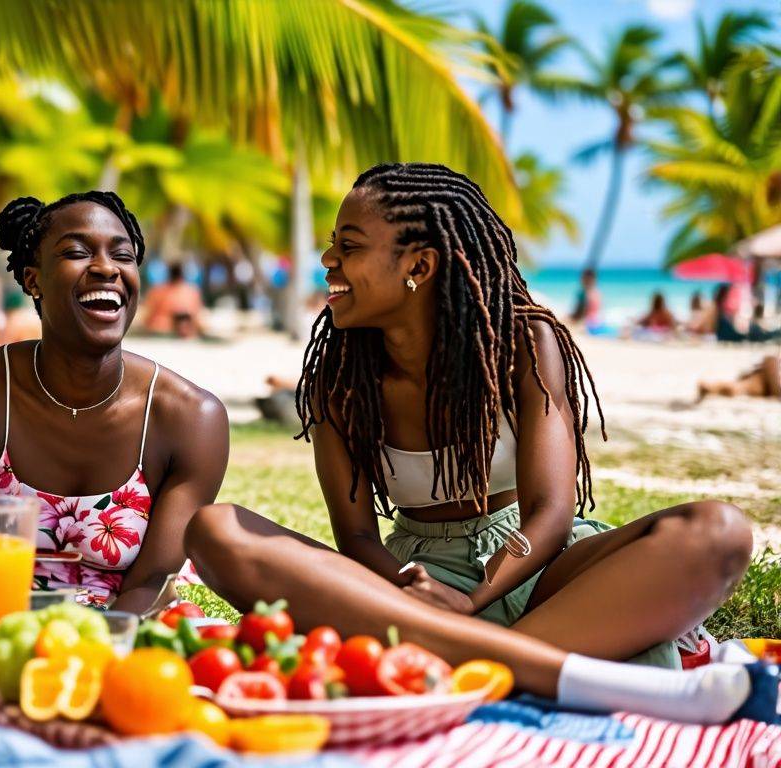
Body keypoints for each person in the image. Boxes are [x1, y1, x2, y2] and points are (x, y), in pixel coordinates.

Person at [185, 163, 757, 724]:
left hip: (535, 566)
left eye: (349, 246)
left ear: (419, 265)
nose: (328, 260)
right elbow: (356, 537)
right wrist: (410, 591)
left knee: (718, 533)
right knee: (216, 530)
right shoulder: (339, 381)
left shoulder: (524, 343)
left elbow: (551, 512)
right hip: (410, 582)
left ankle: (475, 668)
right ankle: (550, 670)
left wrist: (473, 601)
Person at [0, 192, 229, 612]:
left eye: (123, 255)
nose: (107, 268)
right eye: (77, 253)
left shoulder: (191, 418)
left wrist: (89, 647)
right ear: (33, 279)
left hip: (128, 623)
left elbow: (153, 583)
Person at [142, 263, 204, 338]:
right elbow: (197, 318)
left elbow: (147, 317)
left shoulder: (157, 291)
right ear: (183, 274)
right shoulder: (192, 291)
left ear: (168, 274)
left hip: (159, 332)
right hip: (181, 335)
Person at [697, 355, 781, 401]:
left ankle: (711, 387)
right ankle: (711, 387)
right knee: (741, 387)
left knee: (740, 387)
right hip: (764, 379)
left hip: (763, 380)